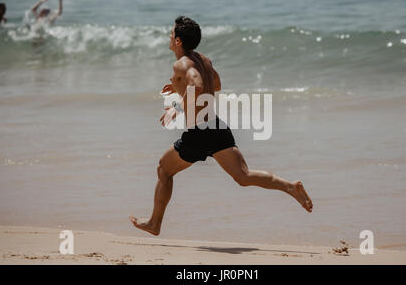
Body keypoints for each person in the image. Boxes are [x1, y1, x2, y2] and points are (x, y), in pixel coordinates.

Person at [129, 16, 313, 236]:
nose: (169, 37)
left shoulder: (181, 64)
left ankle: (154, 224)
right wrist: (180, 86)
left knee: (164, 169)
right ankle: (290, 187)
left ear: (178, 41)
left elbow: (197, 85)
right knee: (243, 176)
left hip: (198, 133)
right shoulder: (204, 60)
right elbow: (215, 83)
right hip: (216, 126)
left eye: (171, 34)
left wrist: (176, 107)